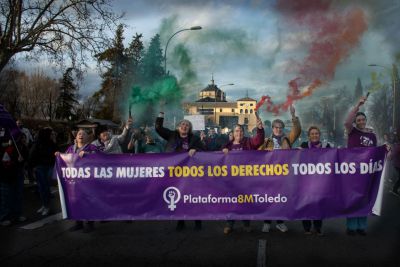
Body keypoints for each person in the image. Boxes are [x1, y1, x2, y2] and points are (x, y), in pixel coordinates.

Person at [155, 112, 205, 231]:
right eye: (182, 124)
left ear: (190, 128)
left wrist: (195, 149)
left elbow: (204, 149)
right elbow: (158, 128)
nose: (184, 126)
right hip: (175, 174)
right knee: (179, 197)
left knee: (193, 197)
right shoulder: (172, 135)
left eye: (187, 125)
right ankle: (180, 220)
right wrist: (161, 113)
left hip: (190, 174)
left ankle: (198, 221)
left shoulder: (195, 139)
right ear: (178, 127)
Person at [258, 104, 301, 233]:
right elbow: (255, 155)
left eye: (281, 127)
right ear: (272, 128)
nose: (279, 129)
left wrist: (293, 116)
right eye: (276, 127)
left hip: (283, 175)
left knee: (281, 200)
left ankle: (280, 222)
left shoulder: (287, 140)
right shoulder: (266, 142)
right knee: (269, 199)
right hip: (269, 175)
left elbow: (297, 130)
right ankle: (267, 222)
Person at [222, 118, 264, 234]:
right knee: (231, 203)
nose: (238, 133)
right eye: (236, 131)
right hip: (231, 180)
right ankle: (229, 224)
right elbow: (219, 160)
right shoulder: (227, 146)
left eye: (240, 131)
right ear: (233, 133)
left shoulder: (248, 142)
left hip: (246, 180)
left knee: (245, 201)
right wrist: (223, 151)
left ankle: (246, 224)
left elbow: (259, 141)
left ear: (243, 132)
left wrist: (260, 129)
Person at [344, 96, 377, 236]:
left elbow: (375, 153)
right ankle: (351, 227)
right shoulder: (352, 132)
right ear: (355, 123)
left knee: (364, 199)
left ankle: (361, 227)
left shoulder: (372, 135)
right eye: (358, 120)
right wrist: (358, 105)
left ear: (366, 121)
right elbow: (347, 121)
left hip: (366, 172)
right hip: (352, 171)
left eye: (363, 119)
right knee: (352, 199)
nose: (361, 122)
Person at [55, 129, 99, 233]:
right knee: (76, 201)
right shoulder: (70, 149)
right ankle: (78, 223)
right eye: (79, 133)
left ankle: (90, 223)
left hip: (88, 181)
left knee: (88, 201)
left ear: (88, 137)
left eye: (84, 134)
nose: (81, 135)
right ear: (76, 137)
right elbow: (65, 159)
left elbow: (100, 158)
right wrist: (59, 155)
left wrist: (88, 154)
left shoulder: (92, 147)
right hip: (75, 182)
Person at [299, 126, 331, 235]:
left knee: (318, 205)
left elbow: (334, 157)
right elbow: (295, 157)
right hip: (306, 181)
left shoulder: (327, 146)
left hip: (321, 182)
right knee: (306, 204)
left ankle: (317, 228)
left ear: (319, 135)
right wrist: (298, 152)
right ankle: (307, 228)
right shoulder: (303, 146)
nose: (314, 135)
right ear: (309, 136)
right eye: (312, 134)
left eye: (316, 133)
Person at [29, 127, 58, 216]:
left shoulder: (51, 143)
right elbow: (32, 154)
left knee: (45, 187)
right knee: (42, 188)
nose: (52, 135)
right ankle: (45, 205)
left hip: (48, 167)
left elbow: (57, 153)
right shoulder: (38, 143)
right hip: (40, 168)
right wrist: (32, 166)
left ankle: (46, 206)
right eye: (51, 134)